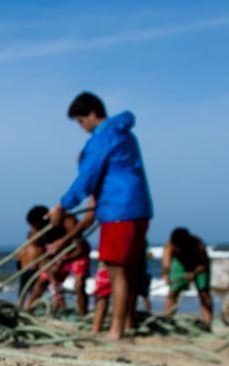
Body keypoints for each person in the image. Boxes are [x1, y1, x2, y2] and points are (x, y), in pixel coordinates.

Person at [48, 92, 152, 340]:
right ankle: (127, 324)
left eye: (81, 121)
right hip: (139, 207)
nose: (82, 127)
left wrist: (62, 206)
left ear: (93, 113)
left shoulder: (103, 136)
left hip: (119, 209)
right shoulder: (126, 134)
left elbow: (87, 177)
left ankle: (115, 331)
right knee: (129, 269)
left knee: (115, 270)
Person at [162, 227, 213, 325]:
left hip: (198, 265)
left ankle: (207, 324)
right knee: (172, 293)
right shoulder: (169, 246)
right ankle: (167, 321)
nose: (177, 249)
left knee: (204, 294)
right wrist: (165, 275)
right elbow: (166, 264)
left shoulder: (198, 245)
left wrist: (193, 273)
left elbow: (205, 264)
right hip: (180, 265)